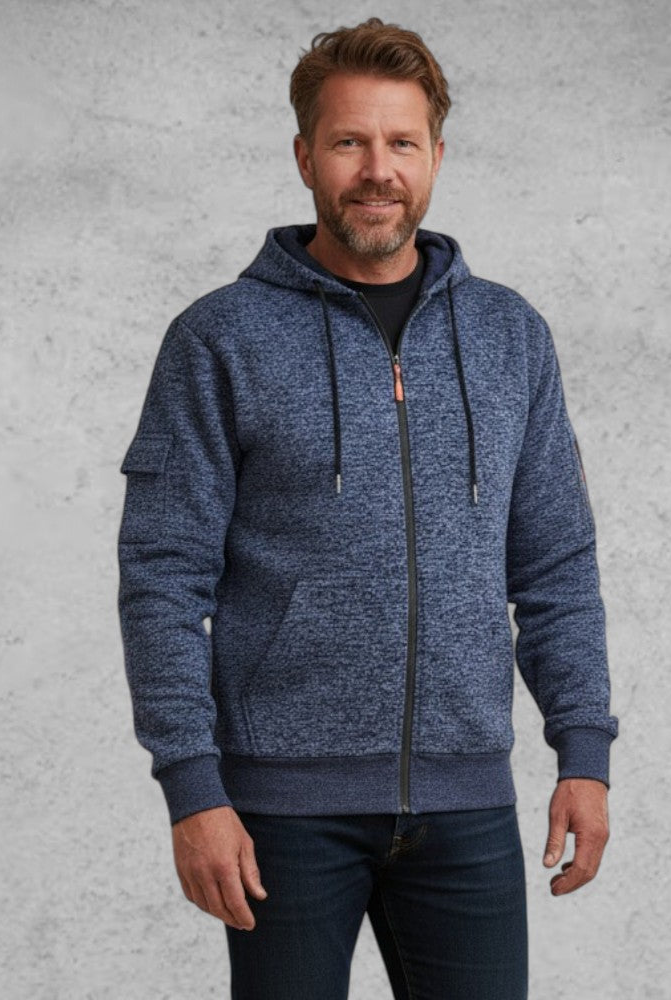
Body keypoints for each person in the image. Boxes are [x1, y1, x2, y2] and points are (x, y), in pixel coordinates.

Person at [117, 17, 619, 1000]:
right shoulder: (219, 339)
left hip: (468, 803)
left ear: (436, 156)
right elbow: (163, 580)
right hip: (279, 810)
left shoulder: (510, 336)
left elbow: (556, 567)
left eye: (401, 142)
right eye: (349, 141)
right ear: (306, 155)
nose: (377, 170)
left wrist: (585, 753)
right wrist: (193, 788)